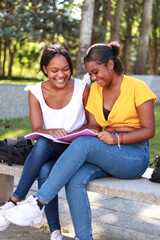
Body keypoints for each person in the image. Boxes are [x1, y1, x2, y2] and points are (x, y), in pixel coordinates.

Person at [2, 42, 157, 240]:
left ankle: (38, 203)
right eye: (90, 74)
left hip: (134, 156)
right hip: (108, 155)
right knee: (75, 180)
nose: (93, 78)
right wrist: (105, 132)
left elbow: (149, 130)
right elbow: (93, 127)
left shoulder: (137, 87)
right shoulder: (96, 90)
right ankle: (83, 237)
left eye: (95, 72)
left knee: (83, 144)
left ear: (110, 64)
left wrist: (117, 135)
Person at [0, 44, 90, 240]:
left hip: (76, 149)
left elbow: (94, 124)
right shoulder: (35, 92)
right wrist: (51, 132)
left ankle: (15, 200)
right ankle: (55, 231)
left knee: (42, 146)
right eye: (54, 70)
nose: (61, 74)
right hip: (50, 148)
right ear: (45, 69)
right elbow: (37, 129)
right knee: (44, 166)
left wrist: (71, 133)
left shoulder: (82, 88)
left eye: (66, 69)